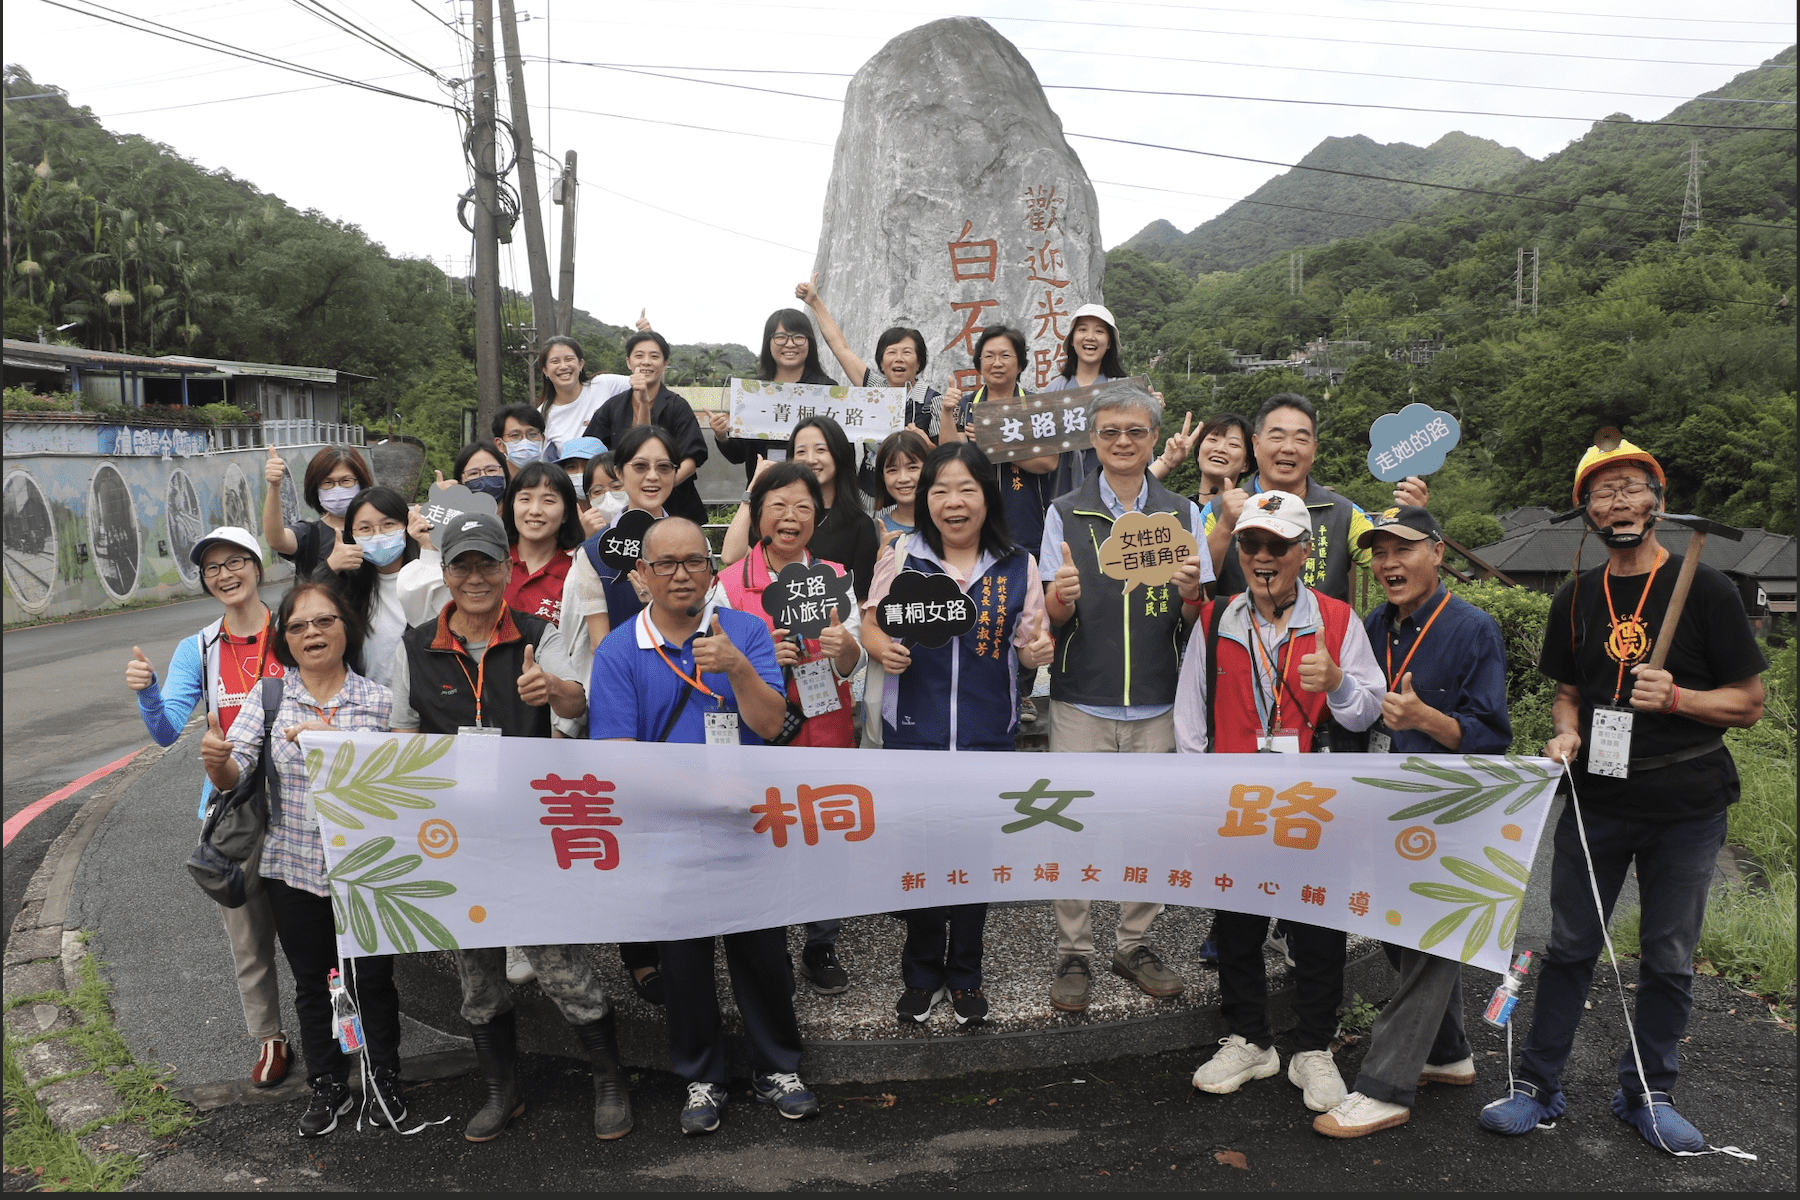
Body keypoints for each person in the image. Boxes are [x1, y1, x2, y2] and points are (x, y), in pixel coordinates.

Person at [1478, 438, 1767, 1154]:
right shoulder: (1575, 596)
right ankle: (1539, 1088)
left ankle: (1648, 1092)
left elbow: (1749, 702)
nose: (1618, 502)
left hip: (1689, 805)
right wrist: (1565, 734)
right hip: (1596, 798)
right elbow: (1569, 695)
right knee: (1571, 945)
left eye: (1632, 487)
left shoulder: (1707, 588)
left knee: (1669, 953)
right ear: (1588, 515)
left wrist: (1682, 697)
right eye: (1602, 494)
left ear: (1658, 502)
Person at [384, 513, 625, 1142]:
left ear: (505, 567)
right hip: (458, 838)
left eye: (487, 563)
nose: (474, 576)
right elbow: (401, 741)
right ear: (445, 573)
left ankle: (609, 1079)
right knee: (477, 974)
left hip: (531, 830)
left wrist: (554, 691)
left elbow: (581, 704)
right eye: (461, 564)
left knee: (558, 963)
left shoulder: (537, 635)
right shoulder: (415, 646)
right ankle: (501, 1089)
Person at [587, 517, 821, 1135]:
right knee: (684, 963)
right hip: (667, 832)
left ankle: (778, 1067)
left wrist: (740, 669)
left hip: (747, 826)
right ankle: (701, 1076)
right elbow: (613, 757)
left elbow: (773, 726)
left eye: (693, 561)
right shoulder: (618, 649)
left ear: (712, 570)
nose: (681, 573)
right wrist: (693, 791)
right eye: (665, 564)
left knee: (762, 952)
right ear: (642, 576)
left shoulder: (746, 631)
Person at [1173, 490, 1384, 1116]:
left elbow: (1368, 708)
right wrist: (1200, 791)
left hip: (1311, 799)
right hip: (1235, 798)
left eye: (1277, 546)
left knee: (1317, 922)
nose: (1263, 557)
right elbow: (1190, 716)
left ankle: (1314, 1045)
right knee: (1236, 922)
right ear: (1239, 552)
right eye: (1251, 545)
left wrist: (1339, 683)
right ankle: (1248, 1038)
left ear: (1304, 552)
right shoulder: (1214, 621)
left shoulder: (1340, 621)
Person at [1312, 505, 1511, 1138]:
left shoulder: (1472, 628)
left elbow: (1491, 737)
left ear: (1437, 553)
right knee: (1399, 931)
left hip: (1443, 808)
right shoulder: (1371, 624)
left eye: (1403, 550)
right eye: (1379, 552)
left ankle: (1385, 1086)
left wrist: (1426, 719)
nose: (1389, 564)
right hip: (1379, 803)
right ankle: (1448, 1054)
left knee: (1428, 936)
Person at [202, 581, 406, 1138]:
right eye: (298, 626)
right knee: (315, 983)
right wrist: (217, 762)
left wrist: (334, 743)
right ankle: (328, 1084)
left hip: (365, 870)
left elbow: (394, 787)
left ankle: (383, 1076)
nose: (312, 633)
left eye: (324, 621)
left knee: (372, 980)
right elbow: (236, 771)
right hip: (292, 869)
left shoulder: (379, 701)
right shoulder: (267, 699)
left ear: (346, 626)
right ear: (283, 639)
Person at [862, 442, 1054, 1027]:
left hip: (986, 737)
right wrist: (883, 648)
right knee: (918, 856)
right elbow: (869, 622)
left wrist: (1039, 650)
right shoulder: (902, 556)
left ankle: (966, 972)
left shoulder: (1018, 564)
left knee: (975, 859)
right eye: (940, 489)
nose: (953, 502)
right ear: (925, 500)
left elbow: (1031, 642)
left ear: (985, 499)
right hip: (913, 734)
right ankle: (921, 971)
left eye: (966, 489)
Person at [1037, 381, 1213, 1012]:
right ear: (1093, 437)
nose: (1122, 442)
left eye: (1136, 432)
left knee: (1149, 828)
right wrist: (1060, 595)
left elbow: (1197, 617)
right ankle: (1074, 952)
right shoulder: (1065, 510)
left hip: (1160, 701)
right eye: (1110, 431)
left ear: (1154, 440)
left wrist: (1193, 593)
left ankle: (1133, 941)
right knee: (1073, 828)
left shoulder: (1182, 513)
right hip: (1080, 698)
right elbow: (1047, 617)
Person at [126, 527, 289, 1089]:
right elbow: (168, 732)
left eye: (235, 561)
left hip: (301, 803)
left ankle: (340, 1023)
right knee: (247, 935)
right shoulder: (199, 648)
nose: (225, 574)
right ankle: (269, 1036)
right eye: (212, 567)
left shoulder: (293, 627)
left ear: (257, 565)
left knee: (320, 926)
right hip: (232, 813)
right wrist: (148, 692)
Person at [719, 461, 867, 997]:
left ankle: (821, 942)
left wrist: (843, 648)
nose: (790, 516)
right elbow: (715, 665)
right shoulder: (731, 583)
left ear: (817, 517)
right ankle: (769, 941)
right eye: (777, 505)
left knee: (826, 835)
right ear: (758, 514)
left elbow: (854, 662)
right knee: (766, 836)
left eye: (803, 506)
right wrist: (763, 661)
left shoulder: (836, 577)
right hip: (760, 737)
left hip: (826, 729)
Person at [1205, 393, 1426, 603]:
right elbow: (1196, 586)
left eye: (1301, 439)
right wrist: (1225, 526)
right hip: (1238, 640)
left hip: (1325, 640)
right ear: (1255, 444)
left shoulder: (1344, 514)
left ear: (1314, 450)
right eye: (1277, 437)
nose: (1288, 448)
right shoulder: (1218, 511)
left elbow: (1388, 568)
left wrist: (1411, 527)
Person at [723, 416, 879, 603]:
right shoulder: (775, 517)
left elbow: (862, 599)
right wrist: (753, 489)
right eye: (801, 451)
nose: (811, 460)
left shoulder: (860, 525)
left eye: (821, 450)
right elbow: (731, 556)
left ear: (839, 455)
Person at [580, 330, 710, 526]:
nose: (646, 362)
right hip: (619, 508)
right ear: (628, 362)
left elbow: (692, 457)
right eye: (639, 356)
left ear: (665, 364)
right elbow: (589, 452)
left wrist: (660, 485)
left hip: (676, 506)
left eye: (655, 356)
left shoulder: (677, 406)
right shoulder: (612, 407)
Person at [794, 275, 940, 442]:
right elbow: (840, 348)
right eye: (891, 352)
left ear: (919, 362)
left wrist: (926, 446)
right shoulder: (874, 390)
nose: (898, 359)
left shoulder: (933, 402)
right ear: (881, 363)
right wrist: (814, 302)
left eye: (907, 352)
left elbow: (946, 458)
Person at [708, 308, 840, 486]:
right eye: (781, 337)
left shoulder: (827, 390)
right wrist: (722, 435)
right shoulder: (752, 391)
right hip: (766, 491)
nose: (790, 344)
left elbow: (841, 451)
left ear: (809, 342)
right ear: (768, 342)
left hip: (815, 491)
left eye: (799, 337)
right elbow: (738, 455)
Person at [861, 430, 932, 748]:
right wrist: (880, 564)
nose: (903, 478)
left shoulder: (952, 524)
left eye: (913, 466)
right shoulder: (873, 527)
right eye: (892, 469)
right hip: (890, 656)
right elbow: (866, 608)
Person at [315, 487, 418, 690]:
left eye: (388, 524)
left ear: (406, 525)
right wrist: (329, 569)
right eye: (365, 528)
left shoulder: (429, 577)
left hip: (421, 704)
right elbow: (308, 613)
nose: (378, 535)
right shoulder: (348, 586)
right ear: (351, 535)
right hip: (370, 705)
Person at [535, 314, 653, 454]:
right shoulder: (542, 415)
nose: (563, 366)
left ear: (581, 364)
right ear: (545, 371)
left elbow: (650, 385)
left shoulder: (604, 384)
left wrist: (649, 340)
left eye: (569, 359)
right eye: (555, 362)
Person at [262, 445, 374, 580]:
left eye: (346, 481)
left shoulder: (380, 529)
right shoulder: (310, 535)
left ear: (361, 482)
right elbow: (276, 540)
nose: (337, 489)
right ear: (316, 489)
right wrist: (274, 486)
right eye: (327, 482)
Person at [1188, 412, 1252, 511]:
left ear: (1246, 464)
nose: (1220, 449)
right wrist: (1167, 462)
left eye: (1233, 444)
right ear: (1198, 453)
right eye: (1213, 439)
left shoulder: (1250, 515)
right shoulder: (1178, 510)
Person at [553, 437, 610, 539]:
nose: (580, 473)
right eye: (572, 467)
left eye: (588, 465)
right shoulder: (557, 516)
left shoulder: (619, 509)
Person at [493, 403, 548, 472]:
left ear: (543, 439)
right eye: (515, 435)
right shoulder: (497, 481)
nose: (525, 441)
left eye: (532, 434)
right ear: (500, 444)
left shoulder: (556, 480)